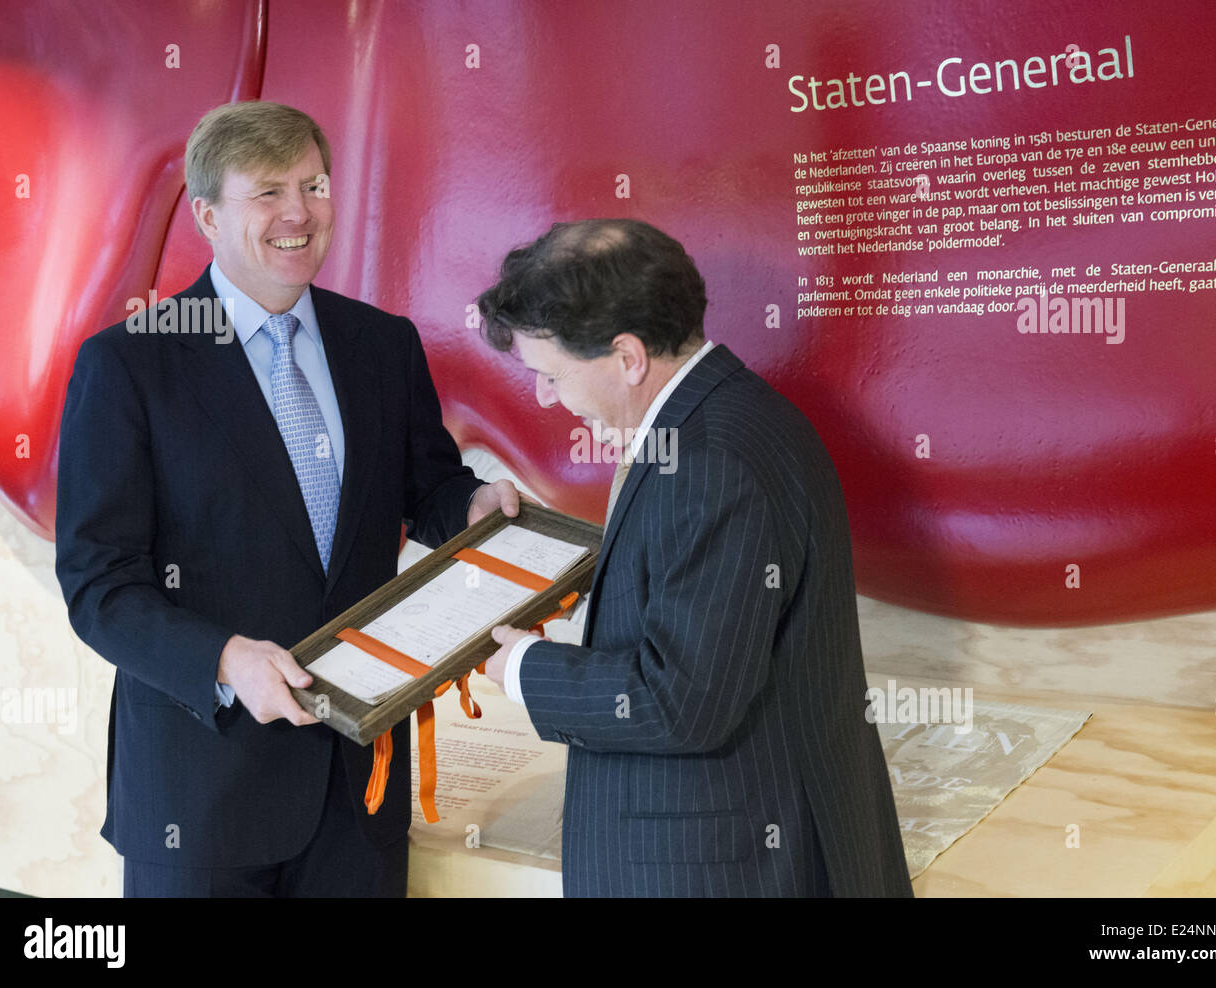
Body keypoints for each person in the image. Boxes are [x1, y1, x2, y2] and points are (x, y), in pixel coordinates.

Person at [54, 100, 519, 897]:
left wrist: (473, 505)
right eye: (268, 191)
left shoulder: (383, 344)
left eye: (315, 184)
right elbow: (100, 588)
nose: (299, 212)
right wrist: (226, 661)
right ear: (206, 214)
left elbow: (428, 487)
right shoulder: (128, 365)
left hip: (356, 791)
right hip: (200, 797)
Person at [478, 219, 912, 897]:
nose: (545, 397)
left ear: (627, 357)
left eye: (551, 374)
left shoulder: (711, 462)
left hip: (727, 866)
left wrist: (523, 670)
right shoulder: (728, 416)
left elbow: (684, 702)